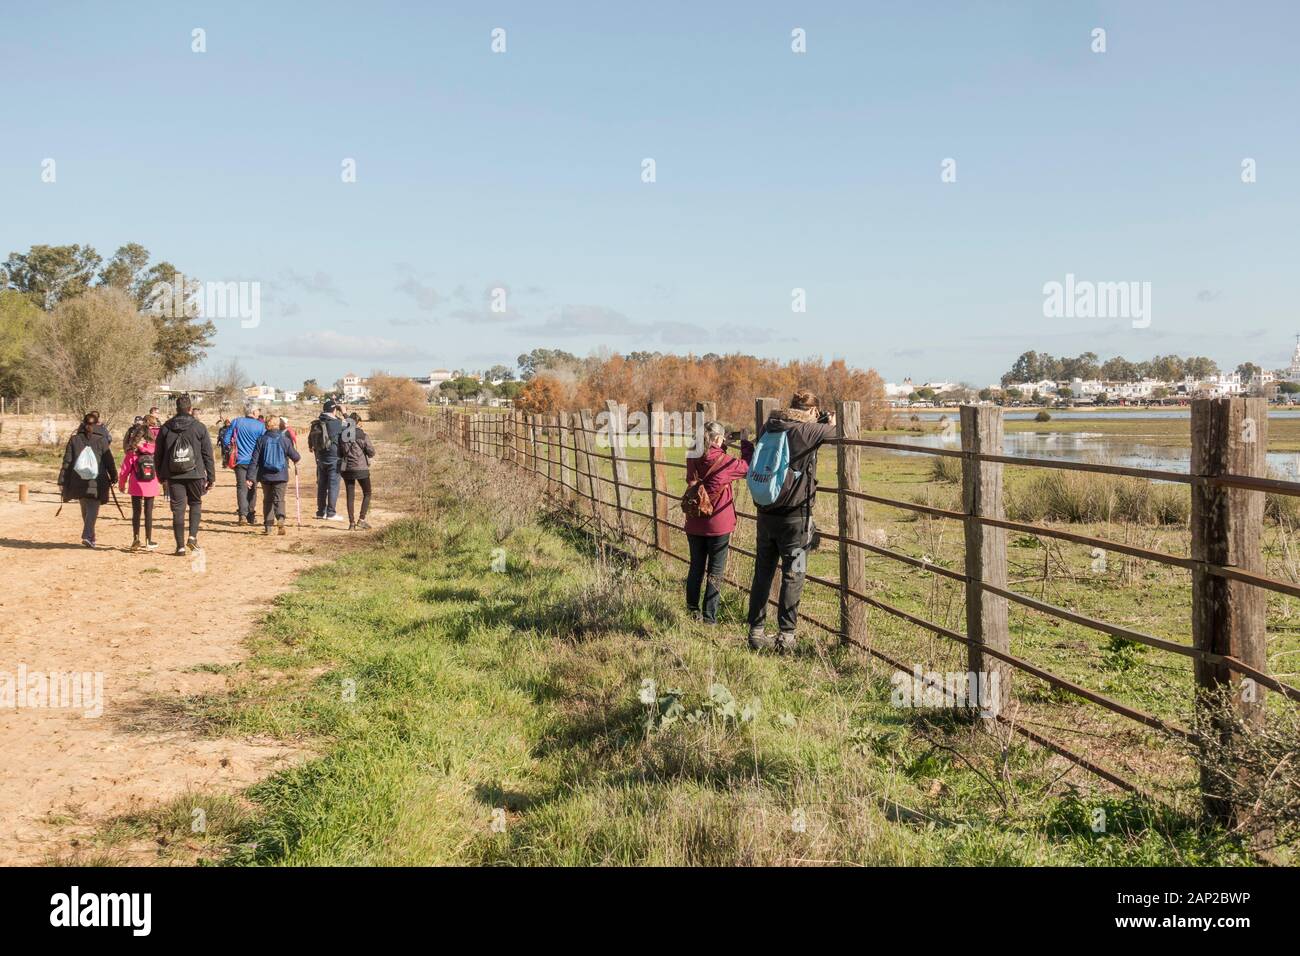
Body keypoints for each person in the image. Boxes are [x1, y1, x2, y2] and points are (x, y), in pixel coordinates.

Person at [745, 389, 837, 652]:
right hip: (795, 519)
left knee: (763, 571)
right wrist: (827, 422)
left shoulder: (770, 427)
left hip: (765, 514)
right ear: (811, 411)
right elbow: (840, 432)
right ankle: (786, 636)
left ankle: (756, 631)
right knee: (794, 573)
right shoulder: (807, 432)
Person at [683, 421, 749, 624]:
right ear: (717, 439)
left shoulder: (692, 455)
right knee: (716, 572)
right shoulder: (726, 461)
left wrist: (721, 446)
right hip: (718, 524)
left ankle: (692, 611)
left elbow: (693, 477)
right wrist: (745, 443)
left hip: (694, 521)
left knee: (696, 567)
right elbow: (746, 466)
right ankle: (710, 617)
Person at [155, 393, 216, 556]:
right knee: (195, 503)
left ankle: (180, 546)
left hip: (173, 475)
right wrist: (211, 477)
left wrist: (161, 476)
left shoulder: (166, 427)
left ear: (176, 409)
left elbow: (158, 454)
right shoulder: (199, 427)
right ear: (190, 409)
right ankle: (192, 536)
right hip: (195, 473)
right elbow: (207, 454)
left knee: (178, 510)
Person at [57, 413, 117, 549]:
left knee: (85, 509)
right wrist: (114, 476)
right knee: (92, 509)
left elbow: (67, 461)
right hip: (97, 481)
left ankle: (91, 536)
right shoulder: (101, 440)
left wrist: (62, 480)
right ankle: (88, 535)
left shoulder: (74, 440)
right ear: (97, 425)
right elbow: (109, 461)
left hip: (78, 479)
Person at [246, 416, 301, 535]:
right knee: (279, 499)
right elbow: (296, 456)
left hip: (265, 475)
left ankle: (268, 526)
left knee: (268, 500)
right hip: (281, 475)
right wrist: (295, 460)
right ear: (278, 425)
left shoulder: (261, 440)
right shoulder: (284, 440)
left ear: (267, 425)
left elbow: (254, 460)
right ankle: (280, 518)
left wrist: (250, 477)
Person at [119, 422, 162, 551]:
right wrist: (161, 481)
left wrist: (122, 484)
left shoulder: (132, 452)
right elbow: (159, 468)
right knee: (148, 513)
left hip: (136, 484)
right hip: (151, 484)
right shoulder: (155, 450)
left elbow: (124, 470)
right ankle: (149, 540)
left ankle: (136, 538)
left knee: (136, 512)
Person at [225, 404, 267, 525]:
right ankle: (250, 514)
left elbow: (226, 439)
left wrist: (231, 448)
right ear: (253, 412)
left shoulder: (236, 421)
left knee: (241, 487)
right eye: (258, 410)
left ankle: (242, 515)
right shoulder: (260, 426)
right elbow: (264, 442)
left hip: (239, 460)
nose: (259, 413)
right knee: (252, 487)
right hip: (255, 462)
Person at [338, 412, 376, 530]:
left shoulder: (342, 435)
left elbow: (339, 453)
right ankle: (362, 519)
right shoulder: (362, 435)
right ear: (358, 423)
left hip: (347, 469)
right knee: (367, 493)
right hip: (361, 468)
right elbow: (371, 452)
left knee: (350, 495)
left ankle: (351, 523)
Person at [308, 400, 345, 521]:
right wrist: (344, 412)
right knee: (333, 485)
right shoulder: (337, 423)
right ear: (335, 410)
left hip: (320, 458)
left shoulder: (316, 423)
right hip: (334, 458)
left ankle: (320, 512)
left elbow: (310, 441)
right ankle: (331, 513)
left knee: (322, 485)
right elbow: (352, 428)